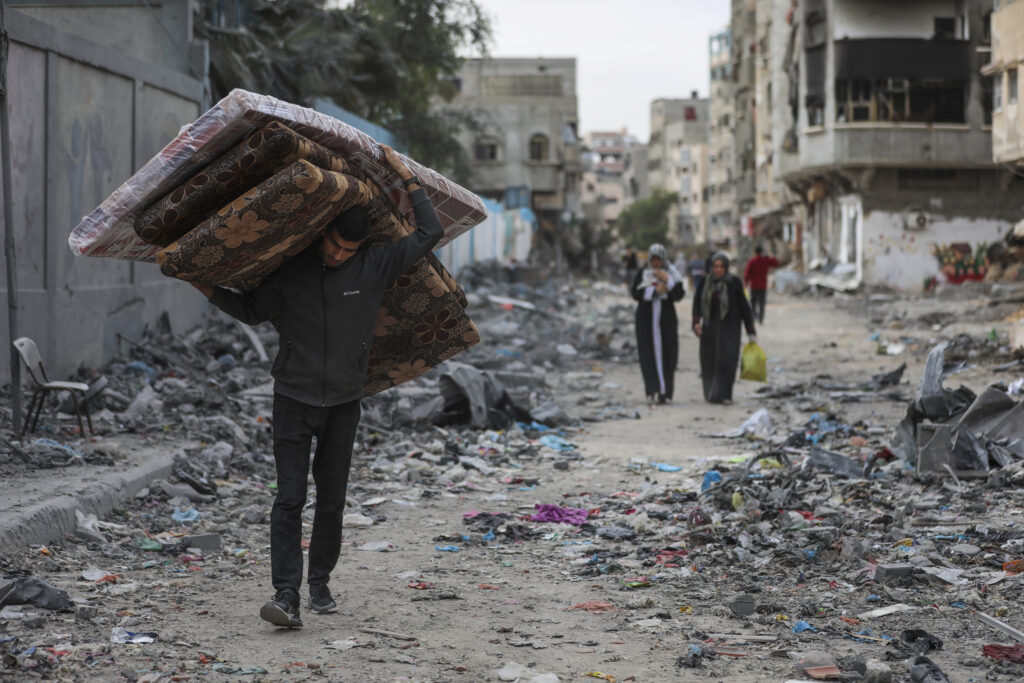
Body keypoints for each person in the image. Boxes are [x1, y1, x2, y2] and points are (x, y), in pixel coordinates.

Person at [191, 145, 442, 629]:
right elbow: (250, 310)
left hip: (345, 403)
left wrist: (407, 176)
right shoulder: (293, 269)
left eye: (348, 251)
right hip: (292, 398)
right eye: (335, 246)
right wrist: (202, 287)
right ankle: (286, 595)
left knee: (331, 499)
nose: (339, 255)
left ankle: (320, 582)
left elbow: (431, 232)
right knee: (289, 498)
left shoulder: (375, 266)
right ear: (323, 232)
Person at [692, 252, 756, 404]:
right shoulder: (704, 283)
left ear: (726, 267)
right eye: (715, 266)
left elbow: (744, 308)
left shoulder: (734, 283)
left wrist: (751, 331)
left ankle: (726, 395)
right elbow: (697, 304)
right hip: (709, 331)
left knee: (728, 363)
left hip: (730, 331)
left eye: (721, 266)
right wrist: (696, 322)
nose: (718, 269)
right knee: (708, 363)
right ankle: (711, 394)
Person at [632, 243, 685, 404]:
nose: (656, 263)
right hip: (646, 319)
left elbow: (679, 294)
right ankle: (651, 390)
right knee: (647, 354)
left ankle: (666, 393)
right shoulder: (643, 273)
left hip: (666, 319)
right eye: (653, 259)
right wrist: (654, 292)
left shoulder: (672, 273)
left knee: (668, 354)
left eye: (659, 260)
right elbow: (635, 292)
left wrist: (667, 282)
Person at [743, 245, 780, 324]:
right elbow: (776, 264)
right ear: (761, 252)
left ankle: (754, 317)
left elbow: (747, 273)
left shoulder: (752, 261)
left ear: (755, 252)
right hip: (763, 285)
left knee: (753, 302)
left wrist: (745, 283)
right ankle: (761, 318)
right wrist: (772, 257)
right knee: (762, 303)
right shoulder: (765, 260)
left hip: (754, 285)